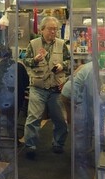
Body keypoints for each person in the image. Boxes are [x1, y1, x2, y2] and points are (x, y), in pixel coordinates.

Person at [23, 16, 70, 158]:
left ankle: (58, 144)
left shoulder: (62, 44)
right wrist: (34, 60)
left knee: (60, 119)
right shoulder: (33, 44)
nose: (53, 32)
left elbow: (70, 61)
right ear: (42, 29)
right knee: (33, 118)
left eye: (55, 29)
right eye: (50, 29)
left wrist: (63, 65)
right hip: (38, 87)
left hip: (56, 88)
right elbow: (25, 61)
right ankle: (30, 146)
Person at [61, 61, 95, 179]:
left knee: (77, 123)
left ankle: (81, 153)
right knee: (81, 125)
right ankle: (80, 158)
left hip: (70, 93)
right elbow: (91, 97)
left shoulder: (90, 65)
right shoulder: (92, 69)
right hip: (72, 95)